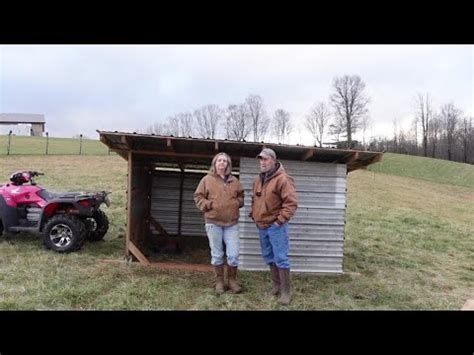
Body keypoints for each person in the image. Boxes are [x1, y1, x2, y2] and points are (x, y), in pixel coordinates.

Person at [249, 148, 298, 305]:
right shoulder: (258, 179)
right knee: (269, 257)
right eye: (261, 159)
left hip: (276, 226)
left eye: (265, 159)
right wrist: (254, 214)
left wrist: (279, 221)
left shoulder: (283, 179)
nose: (262, 162)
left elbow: (291, 203)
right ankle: (276, 287)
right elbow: (254, 199)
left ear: (274, 161)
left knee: (281, 258)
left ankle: (285, 292)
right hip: (261, 225)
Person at [194, 152, 244, 294]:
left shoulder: (235, 181)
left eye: (225, 161)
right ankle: (219, 282)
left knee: (233, 254)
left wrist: (236, 203)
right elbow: (198, 196)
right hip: (213, 222)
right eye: (219, 161)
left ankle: (232, 281)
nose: (222, 163)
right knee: (217, 254)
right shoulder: (207, 179)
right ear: (215, 163)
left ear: (228, 164)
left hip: (231, 223)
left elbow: (241, 196)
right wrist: (208, 205)